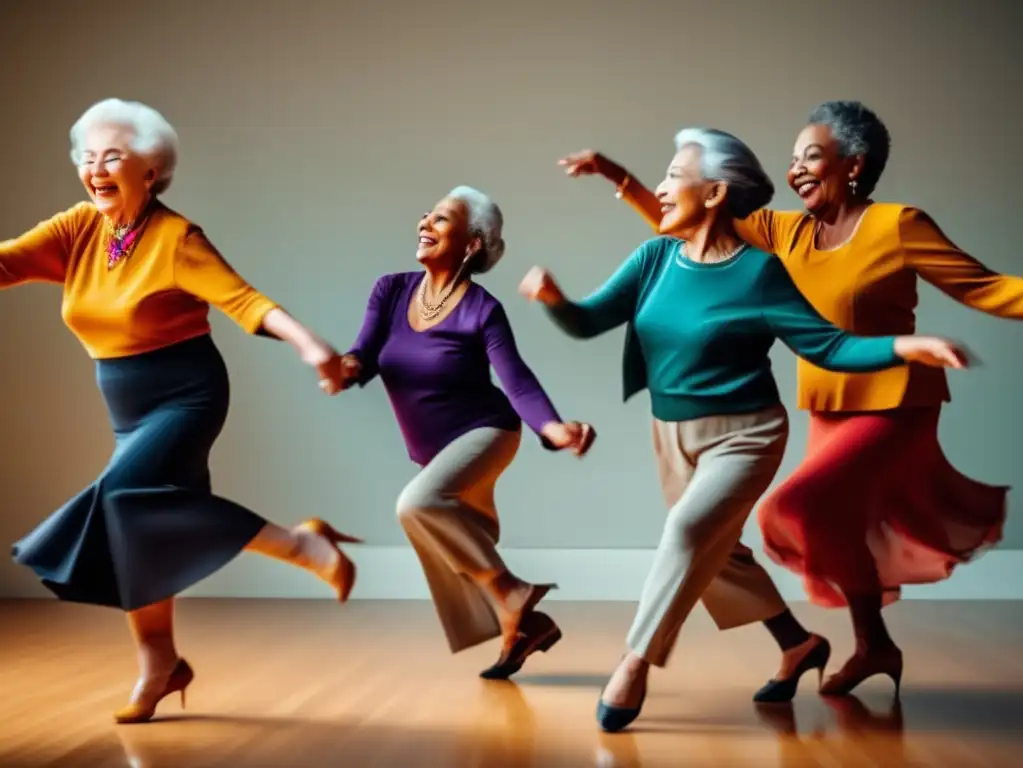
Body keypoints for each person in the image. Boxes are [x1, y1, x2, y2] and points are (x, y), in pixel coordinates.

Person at [558, 100, 1021, 697]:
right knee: (823, 525)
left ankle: (641, 661)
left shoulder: (898, 225)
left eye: (811, 156)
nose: (797, 169)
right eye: (793, 159)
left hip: (892, 403)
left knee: (795, 509)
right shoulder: (785, 231)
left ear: (852, 165)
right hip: (826, 405)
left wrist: (913, 344)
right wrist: (618, 177)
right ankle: (860, 642)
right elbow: (694, 221)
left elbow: (983, 286)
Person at [4, 98, 360, 724]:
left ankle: (302, 547)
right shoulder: (79, 229)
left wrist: (313, 347)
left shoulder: (176, 238)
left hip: (186, 394)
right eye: (88, 158)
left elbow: (245, 300)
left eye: (113, 156)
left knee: (123, 502)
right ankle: (160, 667)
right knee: (142, 531)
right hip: (125, 403)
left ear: (151, 169)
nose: (96, 169)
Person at [338, 185, 596, 679]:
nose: (424, 224)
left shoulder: (482, 309)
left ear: (472, 243)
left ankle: (513, 593)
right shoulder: (390, 290)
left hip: (487, 432)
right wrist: (342, 366)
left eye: (440, 219)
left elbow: (516, 379)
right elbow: (363, 354)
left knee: (415, 505)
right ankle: (522, 628)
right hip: (432, 454)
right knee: (457, 540)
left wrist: (554, 428)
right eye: (425, 215)